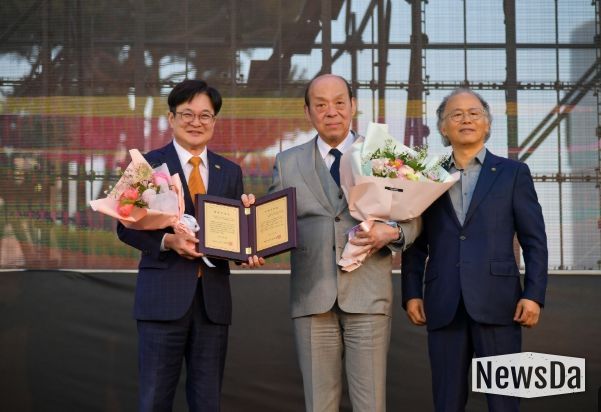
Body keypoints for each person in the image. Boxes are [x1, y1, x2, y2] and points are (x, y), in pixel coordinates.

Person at [269, 74, 421, 412]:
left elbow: (413, 217)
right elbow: (272, 221)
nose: (331, 111)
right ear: (307, 111)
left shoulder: (384, 156)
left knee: (370, 404)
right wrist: (252, 237)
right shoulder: (287, 162)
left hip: (368, 296)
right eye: (320, 105)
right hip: (312, 298)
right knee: (319, 405)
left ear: (353, 105)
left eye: (339, 102)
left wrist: (391, 232)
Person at [117, 79, 264, 412]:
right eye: (187, 114)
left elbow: (234, 234)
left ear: (214, 121)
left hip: (212, 305)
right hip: (161, 301)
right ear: (171, 118)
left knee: (207, 402)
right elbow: (124, 226)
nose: (196, 122)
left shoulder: (229, 171)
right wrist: (168, 240)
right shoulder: (147, 164)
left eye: (205, 115)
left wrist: (249, 249)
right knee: (154, 400)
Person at [401, 88, 548, 412]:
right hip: (444, 304)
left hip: (500, 304)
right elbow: (415, 241)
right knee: (447, 403)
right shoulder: (426, 176)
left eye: (474, 113)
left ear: (487, 123)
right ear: (443, 127)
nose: (465, 119)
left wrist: (534, 295)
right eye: (456, 114)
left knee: (504, 403)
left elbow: (534, 240)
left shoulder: (513, 173)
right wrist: (411, 292)